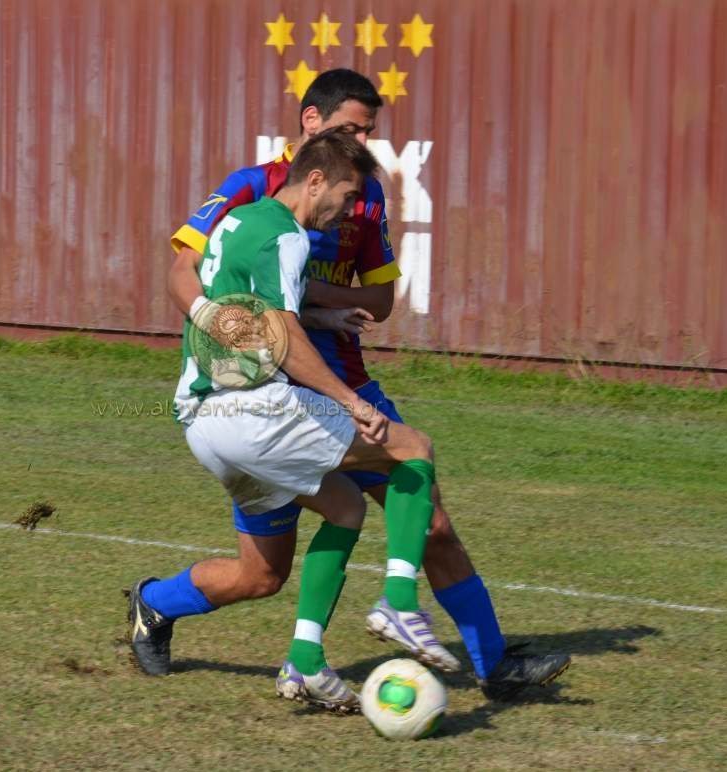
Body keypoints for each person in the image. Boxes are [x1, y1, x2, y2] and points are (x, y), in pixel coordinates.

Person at [128, 69, 571, 702]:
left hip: (332, 376)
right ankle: (158, 603)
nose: (363, 142)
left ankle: (490, 662)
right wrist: (230, 316)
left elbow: (380, 300)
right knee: (262, 574)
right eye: (353, 129)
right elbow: (183, 270)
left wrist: (300, 298)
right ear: (311, 121)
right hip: (268, 396)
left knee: (429, 520)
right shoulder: (251, 188)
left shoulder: (363, 194)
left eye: (370, 132)